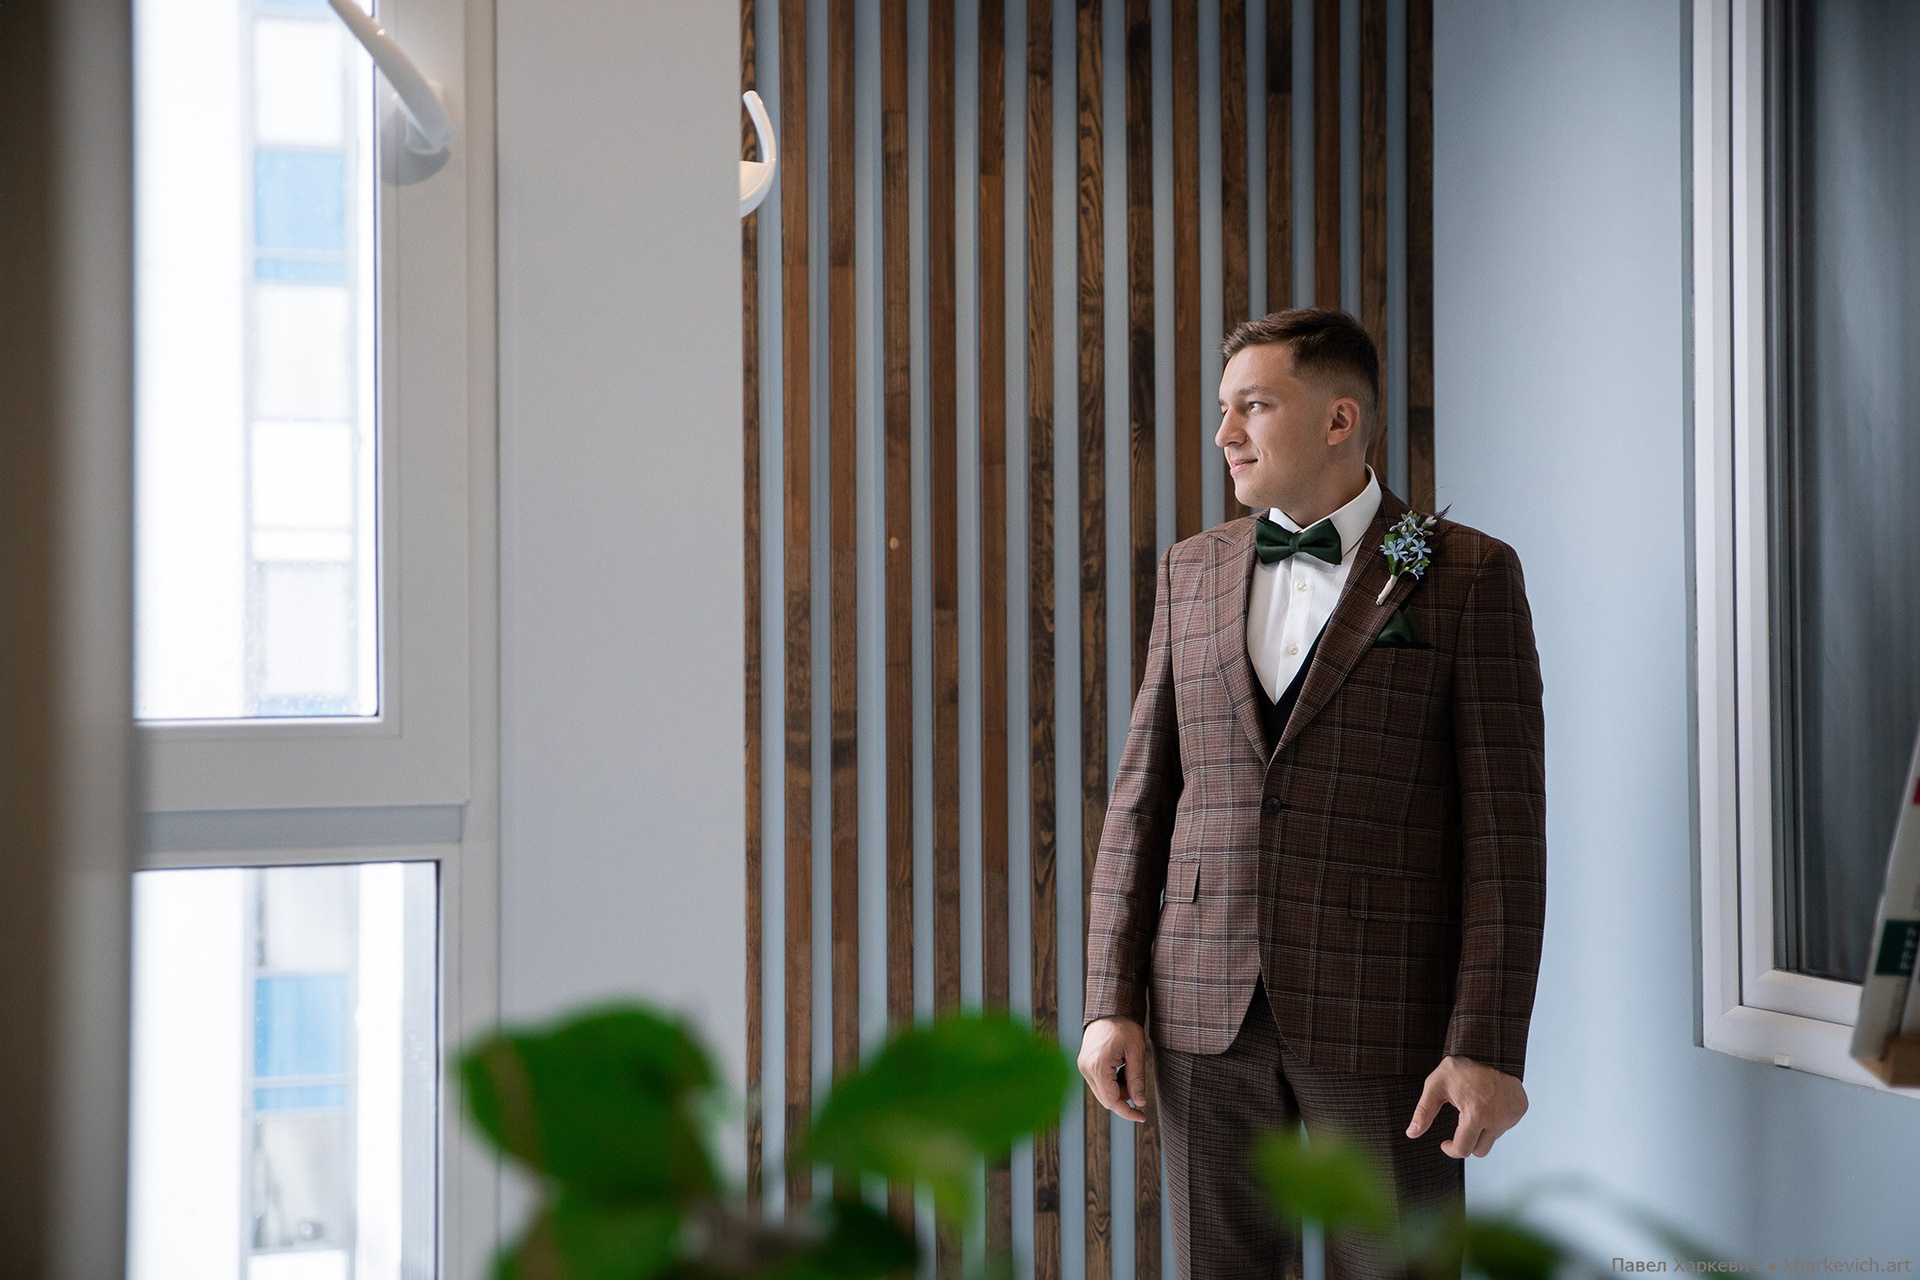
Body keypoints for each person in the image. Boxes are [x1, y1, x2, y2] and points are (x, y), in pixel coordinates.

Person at [1079, 308, 1546, 1280]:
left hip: (1386, 1014)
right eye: (1223, 409)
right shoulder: (1192, 570)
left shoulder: (1468, 573)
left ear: (1340, 419)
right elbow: (1142, 799)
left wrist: (1488, 1042)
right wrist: (1108, 1001)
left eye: (1253, 405)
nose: (1225, 433)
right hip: (1202, 1008)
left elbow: (1506, 837)